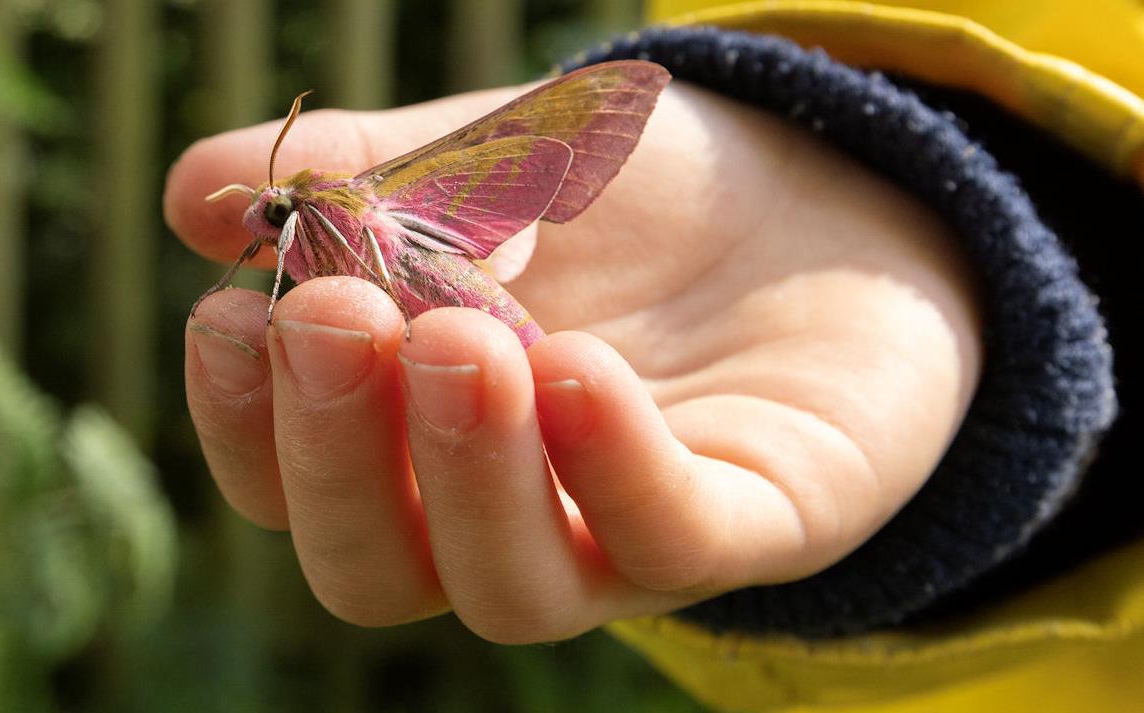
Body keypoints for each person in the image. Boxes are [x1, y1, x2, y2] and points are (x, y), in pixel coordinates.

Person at [163, 1, 1143, 710]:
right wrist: (887, 180)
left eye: (276, 220)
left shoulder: (328, 227)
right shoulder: (329, 223)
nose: (267, 225)